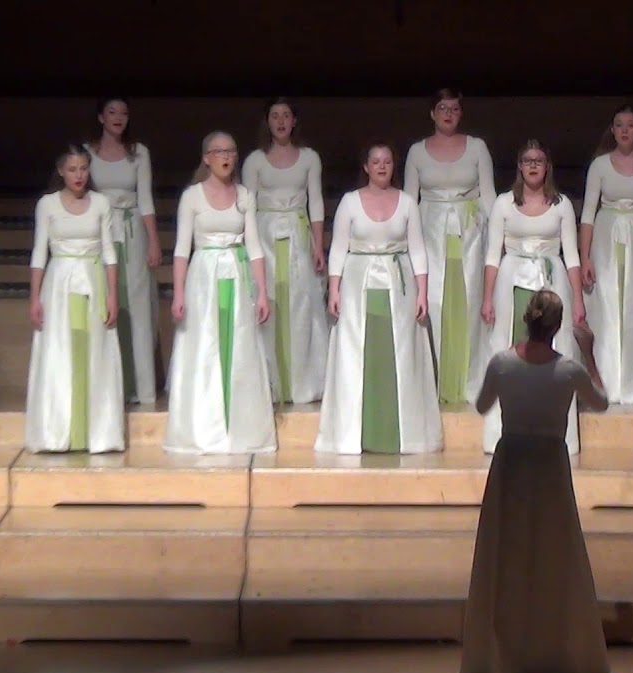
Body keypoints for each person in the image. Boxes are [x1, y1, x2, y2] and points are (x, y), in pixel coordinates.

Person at [459, 289, 614, 673]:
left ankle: (503, 657)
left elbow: (480, 406)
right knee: (552, 559)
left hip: (511, 465)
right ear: (558, 326)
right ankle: (553, 653)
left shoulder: (504, 363)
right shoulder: (569, 371)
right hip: (548, 468)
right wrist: (590, 355)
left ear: (527, 319)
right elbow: (601, 403)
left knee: (508, 560)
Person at [315, 144, 442, 455]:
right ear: (366, 167)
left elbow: (418, 250)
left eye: (387, 161)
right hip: (358, 284)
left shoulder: (408, 203)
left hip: (398, 288)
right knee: (359, 355)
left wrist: (422, 291)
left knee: (398, 357)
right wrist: (334, 289)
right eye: (376, 161)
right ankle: (353, 434)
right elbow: (339, 249)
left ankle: (403, 434)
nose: (382, 166)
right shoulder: (350, 202)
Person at [164, 132, 276, 455]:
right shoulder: (192, 197)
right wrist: (179, 293)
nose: (225, 157)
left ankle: (240, 428)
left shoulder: (244, 195)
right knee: (205, 348)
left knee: (238, 348)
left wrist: (263, 293)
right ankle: (204, 427)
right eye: (218, 151)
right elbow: (182, 249)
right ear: (206, 158)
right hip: (204, 278)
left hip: (237, 276)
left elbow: (254, 247)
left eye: (230, 150)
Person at [481, 140, 584, 454]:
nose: (533, 165)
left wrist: (578, 300)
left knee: (554, 355)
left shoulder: (561, 204)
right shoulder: (503, 204)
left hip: (552, 280)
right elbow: (492, 255)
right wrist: (487, 297)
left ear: (547, 165)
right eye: (527, 160)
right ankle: (505, 431)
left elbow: (573, 256)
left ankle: (555, 431)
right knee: (513, 355)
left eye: (539, 160)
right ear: (519, 166)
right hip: (512, 284)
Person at [25, 145, 124, 453]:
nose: (79, 175)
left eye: (83, 168)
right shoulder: (48, 205)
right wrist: (34, 298)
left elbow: (109, 253)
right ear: (60, 172)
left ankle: (97, 432)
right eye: (72, 169)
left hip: (93, 282)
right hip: (59, 284)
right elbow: (40, 252)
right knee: (60, 352)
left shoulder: (101, 203)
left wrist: (111, 295)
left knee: (95, 353)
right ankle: (58, 430)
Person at [405, 89, 496, 405]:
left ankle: (470, 381)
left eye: (454, 108)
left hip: (469, 232)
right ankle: (435, 381)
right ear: (432, 113)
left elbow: (488, 198)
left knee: (469, 301)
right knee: (435, 301)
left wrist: (499, 237)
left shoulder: (477, 148)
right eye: (442, 108)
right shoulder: (417, 152)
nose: (448, 113)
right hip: (431, 230)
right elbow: (409, 200)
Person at [242, 97, 329, 404]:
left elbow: (315, 202)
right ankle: (270, 383)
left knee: (301, 304)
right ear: (267, 121)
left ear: (294, 121)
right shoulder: (255, 160)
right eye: (275, 115)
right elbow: (247, 206)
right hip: (265, 235)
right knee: (269, 305)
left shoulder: (309, 158)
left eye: (286, 115)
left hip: (297, 235)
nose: (280, 121)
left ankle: (302, 382)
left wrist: (318, 245)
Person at [578, 104, 633, 405]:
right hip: (607, 238)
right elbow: (588, 213)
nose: (625, 130)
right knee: (608, 306)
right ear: (612, 130)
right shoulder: (600, 165)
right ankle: (607, 381)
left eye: (631, 125)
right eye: (619, 125)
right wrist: (585, 256)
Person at [85, 96, 163, 404]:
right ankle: (108, 388)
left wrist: (154, 240)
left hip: (132, 233)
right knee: (105, 302)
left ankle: (142, 389)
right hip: (100, 233)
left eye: (124, 112)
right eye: (112, 112)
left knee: (138, 305)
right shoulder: (88, 153)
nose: (119, 117)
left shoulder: (138, 153)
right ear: (101, 117)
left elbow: (145, 199)